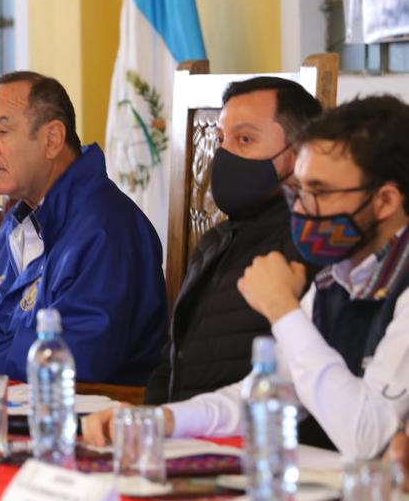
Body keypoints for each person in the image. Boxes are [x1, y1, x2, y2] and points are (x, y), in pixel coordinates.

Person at [83, 95, 409, 460]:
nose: (301, 209)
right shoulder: (336, 279)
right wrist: (160, 420)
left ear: (385, 201)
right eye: (298, 192)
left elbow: (370, 439)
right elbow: (258, 398)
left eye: (319, 192)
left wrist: (284, 310)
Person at [0, 71, 167, 384]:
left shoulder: (107, 229)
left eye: (2, 131)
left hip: (91, 416)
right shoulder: (22, 216)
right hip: (7, 400)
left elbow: (78, 355)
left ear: (52, 139)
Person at [145, 77, 322, 404]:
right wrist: (151, 423)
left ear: (299, 154)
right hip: (185, 436)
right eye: (221, 139)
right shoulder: (212, 243)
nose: (224, 156)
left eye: (244, 139)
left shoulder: (311, 248)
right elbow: (170, 362)